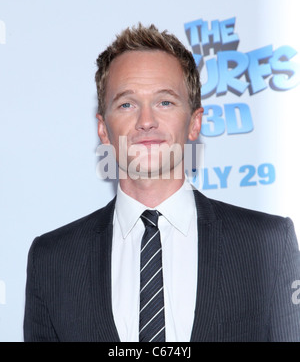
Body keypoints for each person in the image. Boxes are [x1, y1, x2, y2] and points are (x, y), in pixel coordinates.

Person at [24, 23, 300, 342]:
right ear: (103, 128)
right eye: (127, 104)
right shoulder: (52, 259)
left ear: (194, 123)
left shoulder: (266, 245)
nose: (146, 121)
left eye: (164, 102)